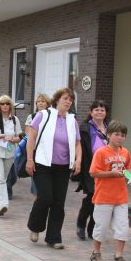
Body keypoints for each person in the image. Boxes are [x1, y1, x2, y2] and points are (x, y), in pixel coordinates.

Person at [26, 87, 82, 249]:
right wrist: (30, 160)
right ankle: (35, 227)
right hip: (43, 164)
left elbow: (78, 143)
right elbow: (31, 138)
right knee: (45, 198)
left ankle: (54, 237)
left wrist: (78, 160)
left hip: (63, 167)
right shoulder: (43, 115)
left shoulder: (72, 121)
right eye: (65, 98)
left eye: (70, 100)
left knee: (58, 202)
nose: (68, 102)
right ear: (57, 100)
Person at [89, 120, 131, 261]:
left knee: (122, 227)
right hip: (104, 196)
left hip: (121, 197)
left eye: (122, 135)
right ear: (108, 135)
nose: (119, 138)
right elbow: (93, 172)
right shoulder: (101, 152)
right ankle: (96, 253)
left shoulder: (125, 152)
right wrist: (111, 174)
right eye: (116, 134)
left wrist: (130, 176)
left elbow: (127, 169)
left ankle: (118, 256)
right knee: (101, 226)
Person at [76, 100, 110, 241]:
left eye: (102, 110)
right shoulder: (85, 128)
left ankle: (92, 229)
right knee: (91, 198)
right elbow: (80, 148)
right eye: (96, 109)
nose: (99, 112)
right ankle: (81, 223)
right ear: (91, 112)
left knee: (101, 201)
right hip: (90, 168)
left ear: (105, 113)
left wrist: (127, 174)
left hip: (106, 171)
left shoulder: (111, 128)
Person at [7, 93, 51, 200]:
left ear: (47, 104)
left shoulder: (52, 117)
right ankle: (36, 201)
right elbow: (28, 135)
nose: (40, 103)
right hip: (35, 150)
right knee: (35, 177)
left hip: (48, 151)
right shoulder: (31, 117)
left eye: (43, 101)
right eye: (38, 101)